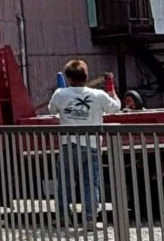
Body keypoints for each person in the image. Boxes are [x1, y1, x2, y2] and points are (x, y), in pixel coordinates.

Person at [46, 57, 122, 226]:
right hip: (92, 145)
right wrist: (111, 87)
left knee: (64, 182)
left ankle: (63, 217)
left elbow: (51, 109)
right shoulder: (98, 95)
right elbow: (116, 107)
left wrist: (62, 91)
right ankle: (90, 219)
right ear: (86, 76)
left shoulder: (60, 94)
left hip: (68, 145)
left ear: (68, 77)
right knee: (91, 183)